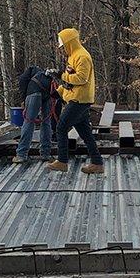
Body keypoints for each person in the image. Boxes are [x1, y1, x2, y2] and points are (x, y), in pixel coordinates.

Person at [45, 27, 104, 174]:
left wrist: (61, 75)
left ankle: (62, 161)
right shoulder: (72, 57)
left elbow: (80, 79)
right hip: (76, 98)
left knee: (61, 127)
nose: (62, 49)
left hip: (80, 100)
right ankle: (97, 163)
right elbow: (69, 83)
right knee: (85, 133)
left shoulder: (82, 56)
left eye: (63, 46)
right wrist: (57, 93)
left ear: (69, 43)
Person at [13, 65, 58, 164]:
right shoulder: (48, 77)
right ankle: (45, 154)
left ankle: (21, 154)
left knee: (29, 121)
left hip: (34, 92)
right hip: (49, 94)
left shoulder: (29, 73)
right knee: (46, 122)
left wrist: (23, 98)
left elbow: (22, 81)